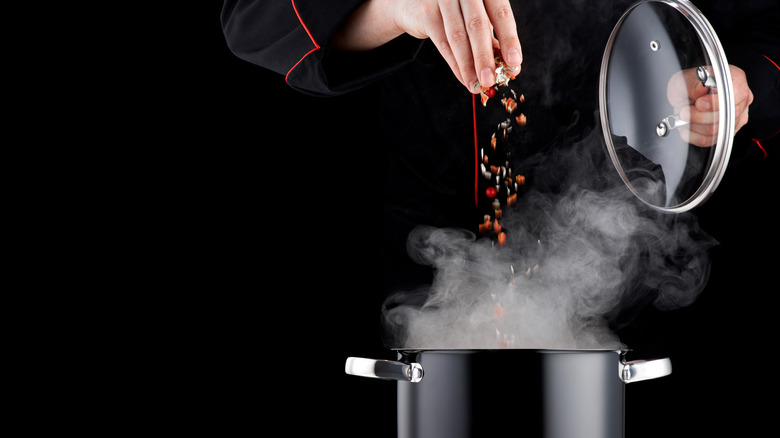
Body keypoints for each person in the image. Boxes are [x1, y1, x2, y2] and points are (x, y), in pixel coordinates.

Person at [222, 0, 778, 338]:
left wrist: (740, 83)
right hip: (417, 259)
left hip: (641, 261)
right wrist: (395, 7)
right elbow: (252, 18)